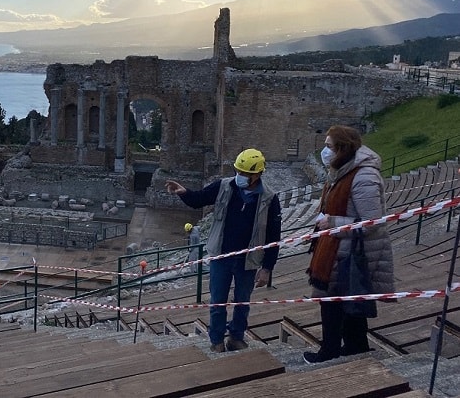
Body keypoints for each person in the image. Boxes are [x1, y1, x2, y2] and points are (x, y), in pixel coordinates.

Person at [165, 148, 281, 353]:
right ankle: (216, 340)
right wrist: (182, 192)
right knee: (217, 301)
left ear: (257, 175)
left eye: (245, 174)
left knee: (242, 302)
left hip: (248, 259)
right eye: (239, 171)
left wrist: (267, 268)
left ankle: (236, 337)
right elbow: (199, 199)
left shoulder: (270, 199)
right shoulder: (224, 186)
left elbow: (273, 236)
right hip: (221, 255)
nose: (240, 177)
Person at [303, 125, 394, 364]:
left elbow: (371, 222)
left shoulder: (363, 176)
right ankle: (356, 347)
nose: (324, 151)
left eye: (329, 146)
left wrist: (331, 221)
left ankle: (329, 351)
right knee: (348, 298)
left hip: (349, 250)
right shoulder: (344, 169)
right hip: (338, 248)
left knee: (332, 301)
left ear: (343, 148)